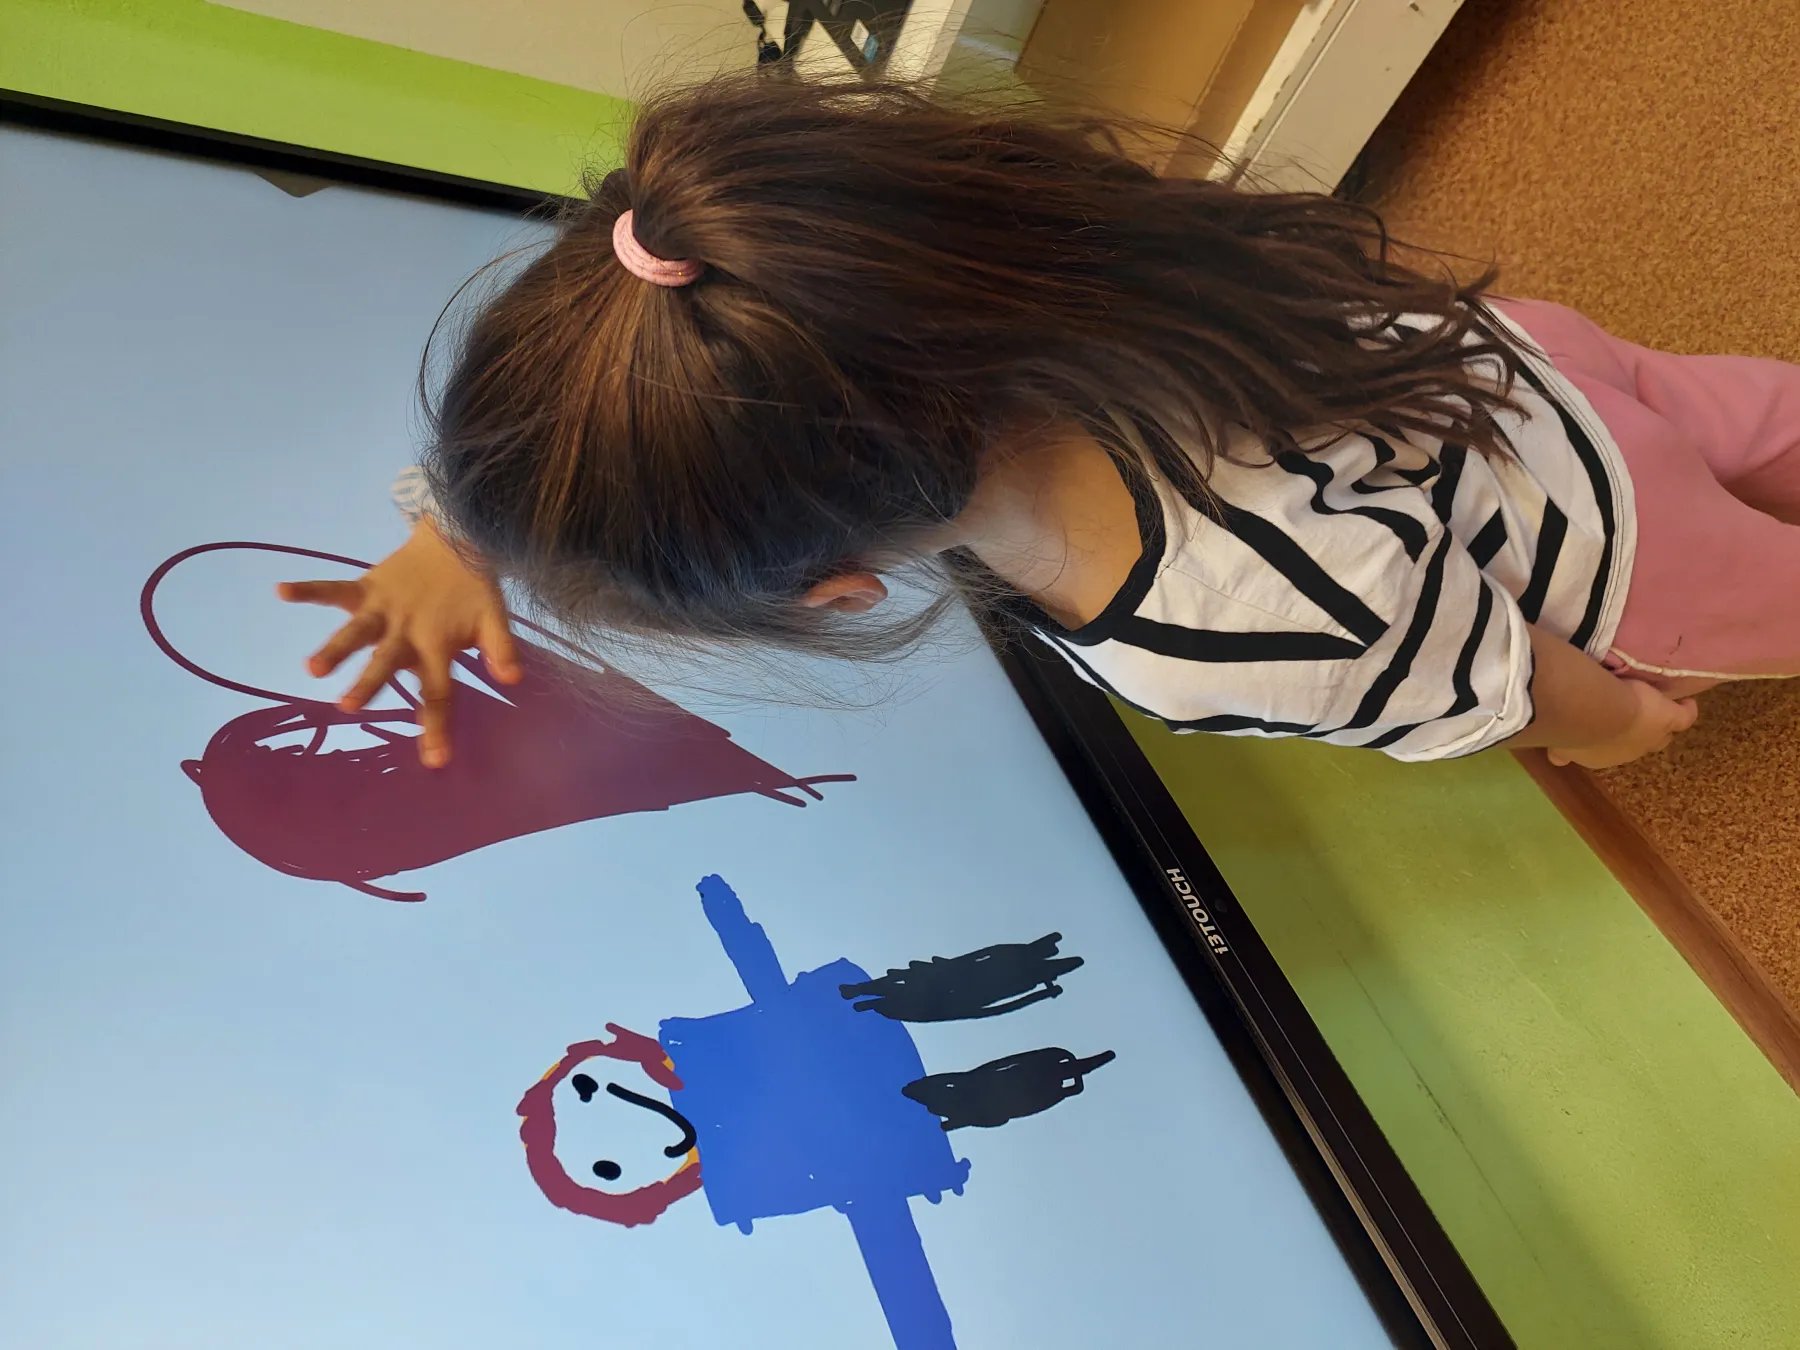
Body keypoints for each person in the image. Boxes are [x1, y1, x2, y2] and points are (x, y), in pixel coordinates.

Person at [280, 75, 1800, 774]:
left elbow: (1493, 671)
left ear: (838, 589)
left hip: (1613, 557)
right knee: (1743, 413)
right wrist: (457, 531)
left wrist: (1610, 728)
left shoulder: (1219, 634)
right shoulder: (1035, 288)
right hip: (1515, 371)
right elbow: (673, 381)